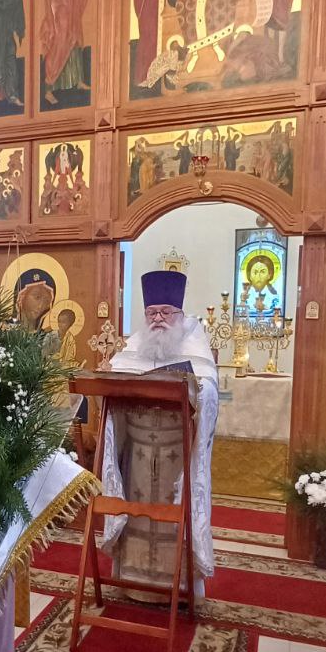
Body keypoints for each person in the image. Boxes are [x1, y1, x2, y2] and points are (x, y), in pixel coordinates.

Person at [98, 271, 219, 599]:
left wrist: (195, 389)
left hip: (176, 455)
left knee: (172, 517)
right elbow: (112, 388)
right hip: (137, 452)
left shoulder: (195, 346)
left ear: (179, 314)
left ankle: (177, 590)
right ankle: (132, 584)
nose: (158, 319)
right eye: (152, 313)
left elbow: (209, 390)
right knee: (136, 513)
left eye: (166, 312)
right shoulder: (134, 346)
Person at [240, 253, 281, 318]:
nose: (258, 276)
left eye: (262, 272)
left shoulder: (274, 296)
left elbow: (276, 314)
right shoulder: (244, 296)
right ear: (249, 275)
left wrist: (264, 307)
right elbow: (240, 313)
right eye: (255, 272)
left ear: (269, 275)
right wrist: (243, 300)